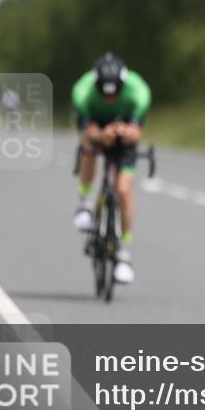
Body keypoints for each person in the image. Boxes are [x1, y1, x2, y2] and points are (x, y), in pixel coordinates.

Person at [71, 54, 151, 284]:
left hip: (125, 129)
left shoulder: (139, 91)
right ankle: (84, 203)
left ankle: (123, 252)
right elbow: (88, 131)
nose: (109, 98)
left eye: (114, 93)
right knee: (89, 148)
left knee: (124, 190)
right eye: (104, 93)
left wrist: (125, 132)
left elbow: (137, 133)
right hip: (96, 127)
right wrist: (101, 136)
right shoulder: (82, 92)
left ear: (122, 85)